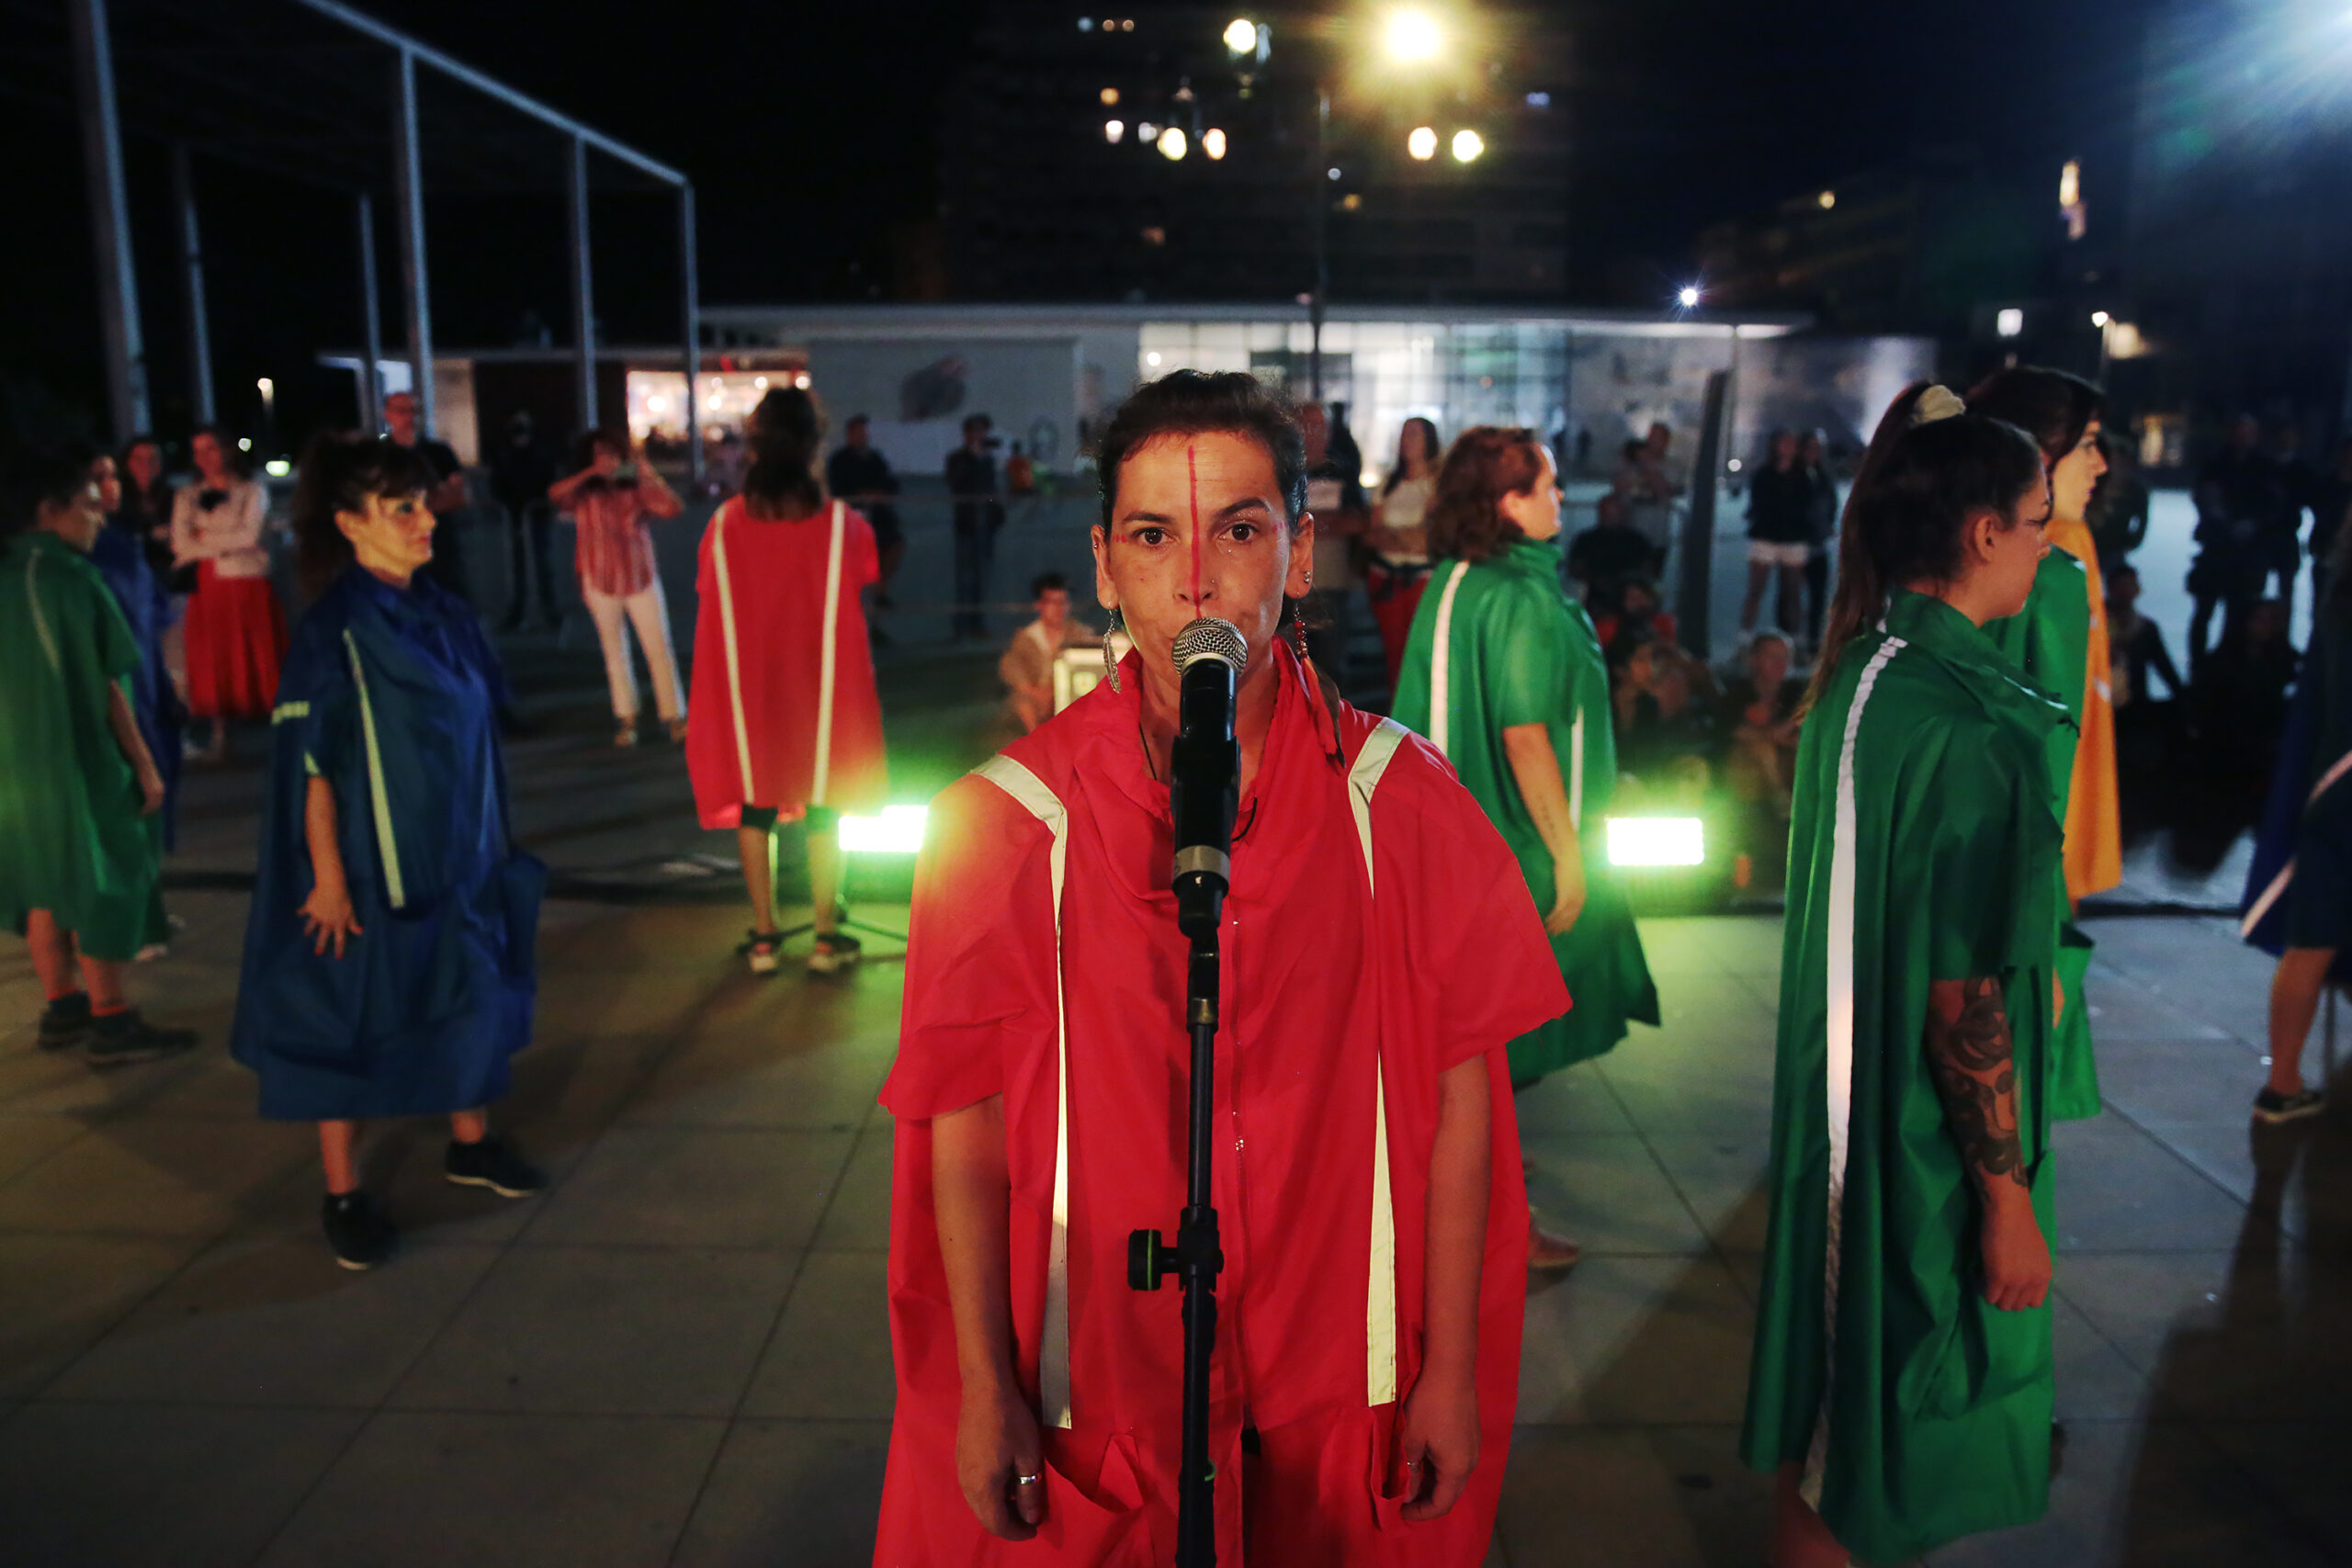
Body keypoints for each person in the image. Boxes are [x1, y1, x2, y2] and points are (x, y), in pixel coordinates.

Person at [874, 370, 1566, 1563]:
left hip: (1343, 1399)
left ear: (1299, 555)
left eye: (1239, 528)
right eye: (1153, 534)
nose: (1196, 577)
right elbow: (963, 1125)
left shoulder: (1404, 805)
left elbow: (1466, 1111)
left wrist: (1452, 1367)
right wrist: (983, 1385)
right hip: (1101, 1404)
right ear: (1103, 563)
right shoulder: (999, 826)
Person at [1743, 382, 2064, 1568]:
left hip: (1839, 1125)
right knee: (1874, 1449)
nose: (2046, 543)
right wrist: (2008, 1196)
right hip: (1912, 1152)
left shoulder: (1864, 678)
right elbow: (1962, 995)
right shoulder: (1971, 730)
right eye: (2039, 519)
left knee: (1831, 1420)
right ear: (1984, 533)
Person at [231, 434, 548, 1270]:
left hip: (461, 857)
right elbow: (312, 767)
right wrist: (328, 877)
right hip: (372, 865)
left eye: (423, 501)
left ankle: (469, 1141)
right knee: (353, 1020)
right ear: (348, 523)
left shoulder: (444, 612)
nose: (422, 519)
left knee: (469, 997)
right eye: (398, 507)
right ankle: (343, 1192)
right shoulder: (335, 629)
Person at [1393, 423, 1659, 1274]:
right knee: (1502, 1038)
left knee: (1468, 1038)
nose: (1561, 498)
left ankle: (1486, 1167)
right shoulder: (1525, 597)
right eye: (1546, 485)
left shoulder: (1454, 580)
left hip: (1443, 842)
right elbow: (1525, 734)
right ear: (1507, 504)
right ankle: (1494, 1214)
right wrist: (1571, 853)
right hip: (1508, 847)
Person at [1, 446, 194, 1066]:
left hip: (15, 769)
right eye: (87, 507)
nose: (98, 520)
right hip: (80, 762)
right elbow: (112, 684)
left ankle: (62, 1006)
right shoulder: (74, 579)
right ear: (48, 511)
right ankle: (112, 1017)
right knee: (105, 881)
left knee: (41, 885)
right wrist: (144, 764)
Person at [686, 387, 888, 977]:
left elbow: (709, 595)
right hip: (820, 690)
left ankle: (766, 938)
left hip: (750, 692)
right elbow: (866, 579)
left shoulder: (723, 526)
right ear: (811, 448)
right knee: (825, 804)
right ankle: (826, 936)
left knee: (757, 805)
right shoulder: (842, 527)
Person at [1973, 366, 2122, 1123]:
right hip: (2020, 880)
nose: (2101, 464)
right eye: (2088, 445)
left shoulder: (2058, 548)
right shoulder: (2041, 565)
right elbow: (2026, 759)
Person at [89, 451, 184, 952]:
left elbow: (149, 618)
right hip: (115, 687)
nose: (109, 486)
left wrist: (166, 684)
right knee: (128, 795)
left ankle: (151, 908)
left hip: (144, 682)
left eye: (112, 475)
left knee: (153, 795)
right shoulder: (81, 559)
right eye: (96, 477)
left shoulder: (123, 542)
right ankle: (133, 925)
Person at [548, 430, 687, 749]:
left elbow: (672, 508)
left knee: (658, 647)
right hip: (599, 577)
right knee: (615, 652)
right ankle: (627, 719)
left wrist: (645, 475)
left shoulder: (634, 485)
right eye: (599, 454)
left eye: (612, 454)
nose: (607, 461)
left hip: (640, 576)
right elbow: (555, 494)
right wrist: (589, 474)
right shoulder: (585, 490)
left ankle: (675, 716)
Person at [171, 423, 285, 763]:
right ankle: (220, 736)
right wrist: (220, 542)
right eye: (198, 451)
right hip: (209, 584)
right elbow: (180, 543)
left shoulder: (252, 490)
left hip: (246, 580)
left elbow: (249, 535)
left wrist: (204, 539)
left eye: (211, 449)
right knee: (214, 656)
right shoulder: (187, 495)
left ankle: (275, 735)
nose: (204, 458)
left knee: (253, 654)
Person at [2188, 414, 2278, 671]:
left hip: (2247, 555)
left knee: (2238, 614)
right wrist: (2218, 520)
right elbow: (2203, 496)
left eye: (2246, 433)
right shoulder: (2216, 464)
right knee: (2204, 612)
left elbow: (2273, 506)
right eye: (2238, 432)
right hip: (2216, 551)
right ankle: (2198, 665)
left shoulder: (2264, 467)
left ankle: (2227, 665)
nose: (2242, 438)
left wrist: (2252, 524)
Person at [1363, 416, 1442, 691]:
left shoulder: (1437, 485)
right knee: (1395, 653)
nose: (1407, 441)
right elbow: (1373, 535)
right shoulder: (1389, 483)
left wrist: (1396, 536)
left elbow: (1432, 539)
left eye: (1415, 435)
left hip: (1423, 580)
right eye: (1404, 434)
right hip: (1388, 579)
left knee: (1423, 652)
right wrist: (1409, 536)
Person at [383, 389, 470, 600]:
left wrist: (407, 505)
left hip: (439, 546)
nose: (409, 417)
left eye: (413, 411)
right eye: (401, 411)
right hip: (396, 547)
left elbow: (460, 495)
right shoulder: (380, 455)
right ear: (387, 414)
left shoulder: (439, 452)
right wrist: (433, 497)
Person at [1716, 628, 1804, 824]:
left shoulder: (1795, 692)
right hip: (1747, 764)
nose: (1780, 664)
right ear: (1754, 660)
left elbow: (1800, 728)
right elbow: (1733, 731)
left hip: (1789, 756)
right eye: (1772, 657)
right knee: (1761, 749)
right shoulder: (1738, 693)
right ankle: (1780, 798)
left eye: (1785, 657)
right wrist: (1772, 734)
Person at [997, 570, 1097, 735]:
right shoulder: (1026, 638)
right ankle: (1035, 741)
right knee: (1022, 702)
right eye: (1052, 602)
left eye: (1063, 602)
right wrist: (1033, 690)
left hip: (1071, 695)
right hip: (1035, 696)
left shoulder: (1082, 635)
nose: (1058, 608)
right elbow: (1012, 667)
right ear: (1039, 605)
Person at [488, 410, 560, 631]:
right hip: (515, 516)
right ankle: (518, 611)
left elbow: (549, 480)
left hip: (536, 515)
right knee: (516, 566)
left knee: (542, 564)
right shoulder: (505, 454)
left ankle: (550, 611)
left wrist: (540, 503)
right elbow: (497, 482)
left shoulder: (540, 453)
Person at [826, 414, 906, 609]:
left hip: (879, 518)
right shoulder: (840, 460)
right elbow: (840, 487)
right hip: (853, 517)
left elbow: (890, 482)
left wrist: (879, 494)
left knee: (894, 545)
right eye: (858, 432)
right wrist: (862, 494)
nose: (862, 436)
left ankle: (879, 588)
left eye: (864, 432)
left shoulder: (875, 458)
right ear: (849, 434)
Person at [1742, 430, 1813, 635]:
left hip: (1793, 538)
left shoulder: (1803, 476)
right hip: (1766, 537)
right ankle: (1745, 637)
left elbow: (1807, 505)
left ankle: (1791, 639)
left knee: (1792, 593)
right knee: (1756, 590)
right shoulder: (1764, 474)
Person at [947, 412, 1004, 639]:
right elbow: (957, 484)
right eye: (976, 431)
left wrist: (995, 508)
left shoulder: (987, 459)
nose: (980, 436)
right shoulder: (958, 459)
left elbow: (989, 489)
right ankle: (962, 625)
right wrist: (974, 458)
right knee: (965, 577)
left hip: (985, 524)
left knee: (982, 576)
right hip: (967, 523)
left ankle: (977, 623)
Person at [1566, 491, 1662, 612]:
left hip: (1629, 599)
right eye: (1606, 513)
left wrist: (1629, 584)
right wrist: (1596, 580)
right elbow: (1574, 569)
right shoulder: (1585, 540)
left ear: (1624, 514)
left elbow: (1649, 570)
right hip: (1596, 598)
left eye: (1614, 513)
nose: (1609, 517)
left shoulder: (1638, 541)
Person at [1798, 431, 1838, 649]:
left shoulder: (1823, 475)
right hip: (1798, 541)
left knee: (1818, 594)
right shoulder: (1797, 474)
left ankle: (1813, 639)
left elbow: (1830, 502)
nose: (1814, 452)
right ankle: (1791, 639)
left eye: (1817, 447)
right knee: (1792, 595)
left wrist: (1827, 525)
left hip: (1818, 542)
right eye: (1810, 447)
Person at [1612, 422, 1679, 553]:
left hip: (1656, 533)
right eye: (1650, 436)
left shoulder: (1673, 466)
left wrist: (1647, 465)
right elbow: (1619, 486)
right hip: (1628, 529)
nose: (1652, 441)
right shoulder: (1631, 464)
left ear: (1666, 441)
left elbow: (1662, 489)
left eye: (1657, 438)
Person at [2088, 433, 2151, 572]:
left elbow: (2142, 522)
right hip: (2087, 545)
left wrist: (2130, 542)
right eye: (2114, 461)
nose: (2117, 467)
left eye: (2121, 462)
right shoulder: (2093, 484)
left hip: (2115, 550)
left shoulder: (2136, 491)